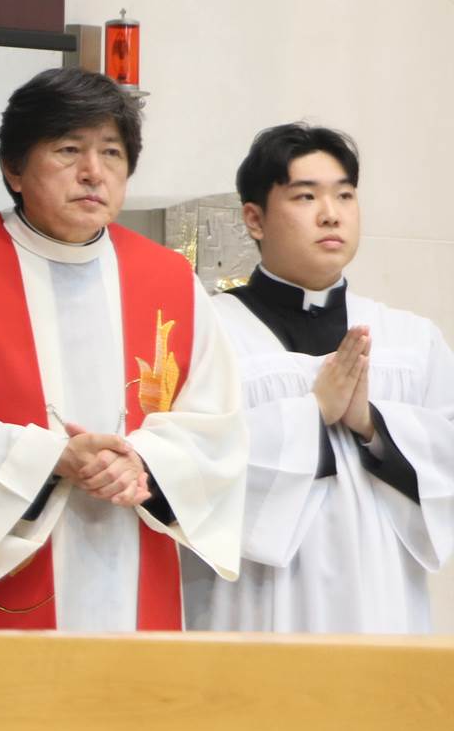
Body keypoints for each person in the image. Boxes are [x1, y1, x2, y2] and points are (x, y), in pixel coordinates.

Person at [0, 67, 245, 631]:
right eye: (68, 150)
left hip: (133, 556)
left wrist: (143, 463)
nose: (93, 172)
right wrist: (51, 459)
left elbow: (218, 425)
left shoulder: (170, 281)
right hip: (3, 577)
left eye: (111, 153)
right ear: (13, 168)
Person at [185, 124, 454, 633]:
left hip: (382, 599)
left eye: (344, 195)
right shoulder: (208, 334)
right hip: (255, 600)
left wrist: (373, 425)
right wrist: (311, 415)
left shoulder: (410, 340)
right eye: (306, 196)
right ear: (254, 219)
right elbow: (187, 467)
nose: (331, 213)